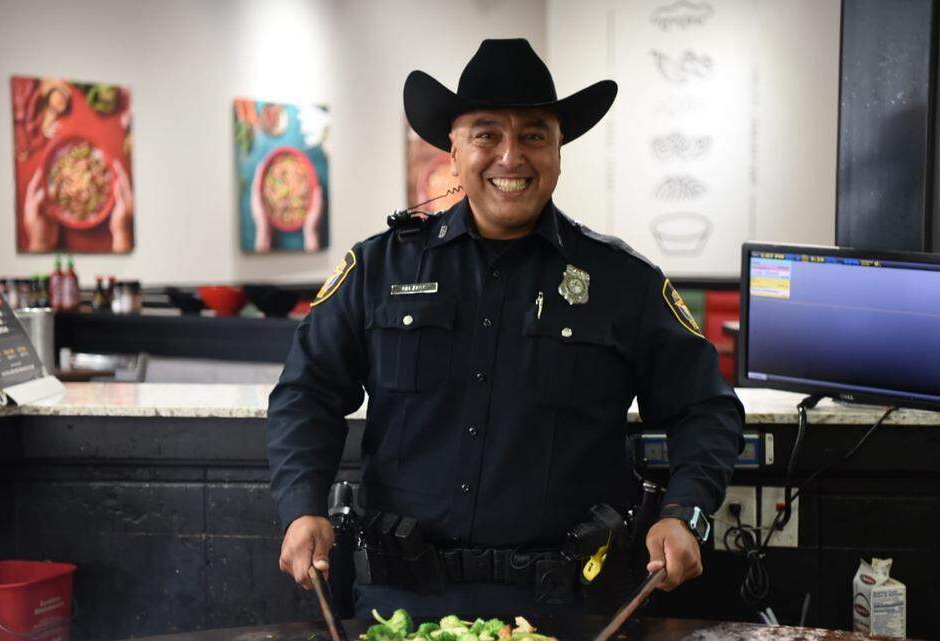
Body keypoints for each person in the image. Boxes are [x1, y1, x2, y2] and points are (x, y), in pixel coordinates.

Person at [267, 39, 744, 616]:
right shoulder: (379, 269)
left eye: (535, 134)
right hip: (399, 607)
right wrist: (301, 506)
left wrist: (683, 513)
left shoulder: (624, 283)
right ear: (454, 148)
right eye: (487, 134)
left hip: (569, 608)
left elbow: (706, 409)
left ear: (560, 149)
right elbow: (306, 393)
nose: (511, 156)